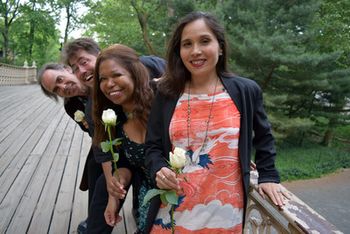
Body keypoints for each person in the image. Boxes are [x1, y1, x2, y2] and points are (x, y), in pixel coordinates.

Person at [144, 11, 287, 233]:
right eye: (187, 44)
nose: (196, 51)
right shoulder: (167, 93)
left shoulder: (245, 90)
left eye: (204, 41)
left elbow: (264, 137)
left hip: (225, 214)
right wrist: (159, 168)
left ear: (220, 47)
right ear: (179, 52)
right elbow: (152, 146)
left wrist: (268, 176)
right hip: (173, 211)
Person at [60, 38, 165, 233]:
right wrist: (113, 192)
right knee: (102, 180)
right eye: (75, 68)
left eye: (84, 62)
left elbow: (182, 74)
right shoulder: (96, 108)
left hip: (172, 181)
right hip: (125, 158)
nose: (81, 71)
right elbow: (105, 151)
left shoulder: (157, 86)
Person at [92, 44, 158, 233]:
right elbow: (126, 165)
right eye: (103, 79)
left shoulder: (162, 103)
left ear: (134, 73)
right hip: (147, 202)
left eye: (116, 75)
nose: (109, 84)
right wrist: (116, 189)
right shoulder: (114, 121)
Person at [38, 63, 101, 233]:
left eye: (60, 79)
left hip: (134, 132)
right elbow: (90, 132)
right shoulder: (71, 106)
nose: (63, 87)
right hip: (104, 140)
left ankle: (139, 209)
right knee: (93, 168)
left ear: (66, 69)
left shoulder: (95, 79)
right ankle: (95, 217)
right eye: (56, 89)